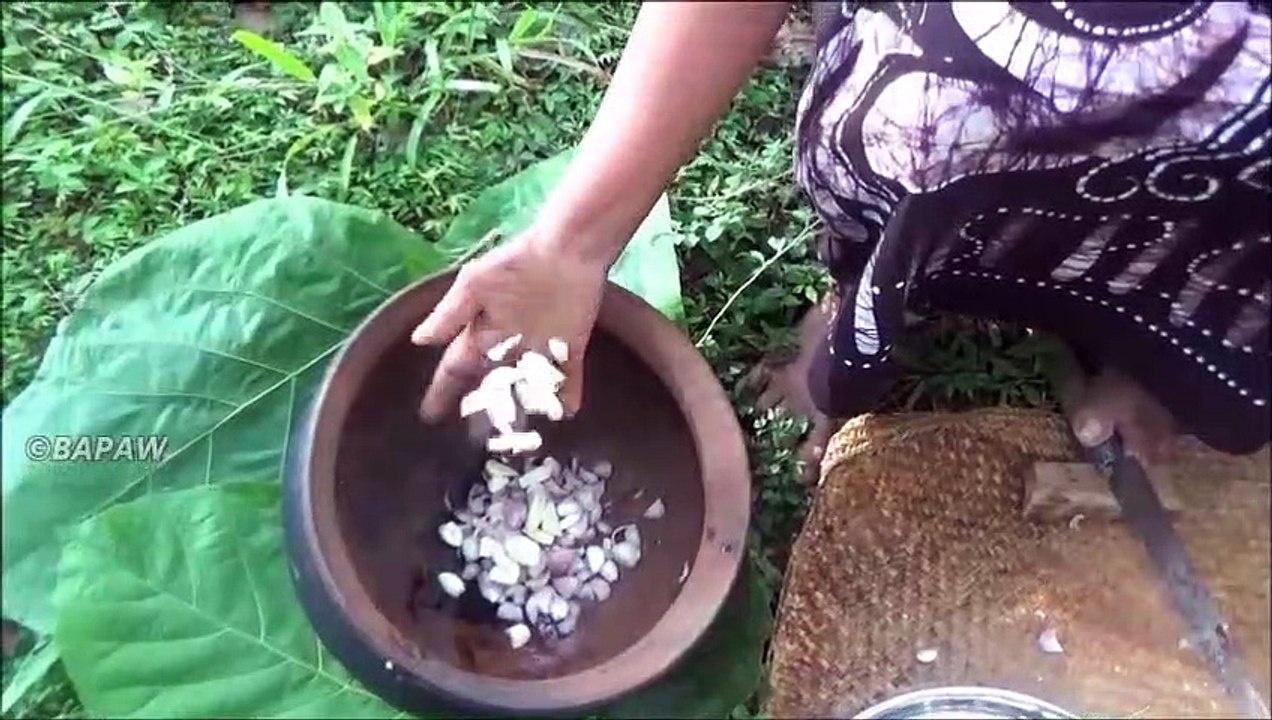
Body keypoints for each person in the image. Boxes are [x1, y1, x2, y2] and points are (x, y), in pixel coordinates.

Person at [410, 1, 1271, 467]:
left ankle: (1156, 349)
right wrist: (572, 244)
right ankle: (872, 302)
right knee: (925, 136)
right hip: (952, 106)